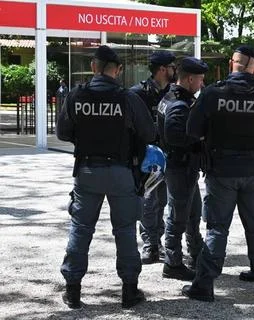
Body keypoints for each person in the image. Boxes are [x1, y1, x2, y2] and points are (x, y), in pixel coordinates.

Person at [182, 45, 254, 302]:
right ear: (253, 66)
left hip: (222, 170)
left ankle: (204, 285)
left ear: (232, 63)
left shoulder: (213, 93)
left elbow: (192, 129)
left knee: (217, 229)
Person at [57, 45, 155, 309]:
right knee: (124, 231)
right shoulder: (127, 98)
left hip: (87, 171)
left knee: (81, 228)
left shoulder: (77, 95)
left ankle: (73, 291)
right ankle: (129, 291)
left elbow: (63, 133)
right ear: (118, 70)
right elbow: (149, 132)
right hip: (121, 171)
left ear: (93, 67)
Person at [158, 57, 208, 280]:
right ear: (189, 79)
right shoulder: (180, 103)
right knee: (178, 216)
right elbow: (174, 135)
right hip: (180, 166)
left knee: (192, 212)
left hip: (181, 166)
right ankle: (173, 262)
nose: (201, 84)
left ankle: (196, 253)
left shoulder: (170, 97)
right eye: (200, 80)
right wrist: (201, 140)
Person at [131, 51, 176, 264]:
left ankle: (159, 241)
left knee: (164, 200)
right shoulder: (138, 93)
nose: (174, 71)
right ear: (162, 69)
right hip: (148, 158)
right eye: (171, 67)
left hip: (170, 156)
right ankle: (150, 244)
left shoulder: (175, 93)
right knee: (149, 200)